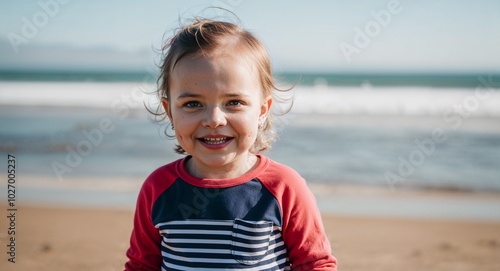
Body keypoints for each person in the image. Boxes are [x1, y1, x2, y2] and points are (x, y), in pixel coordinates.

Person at [124, 17, 338, 271]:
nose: (214, 120)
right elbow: (141, 265)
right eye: (193, 104)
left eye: (234, 102)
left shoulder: (283, 188)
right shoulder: (158, 188)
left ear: (261, 110)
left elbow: (314, 263)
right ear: (169, 111)